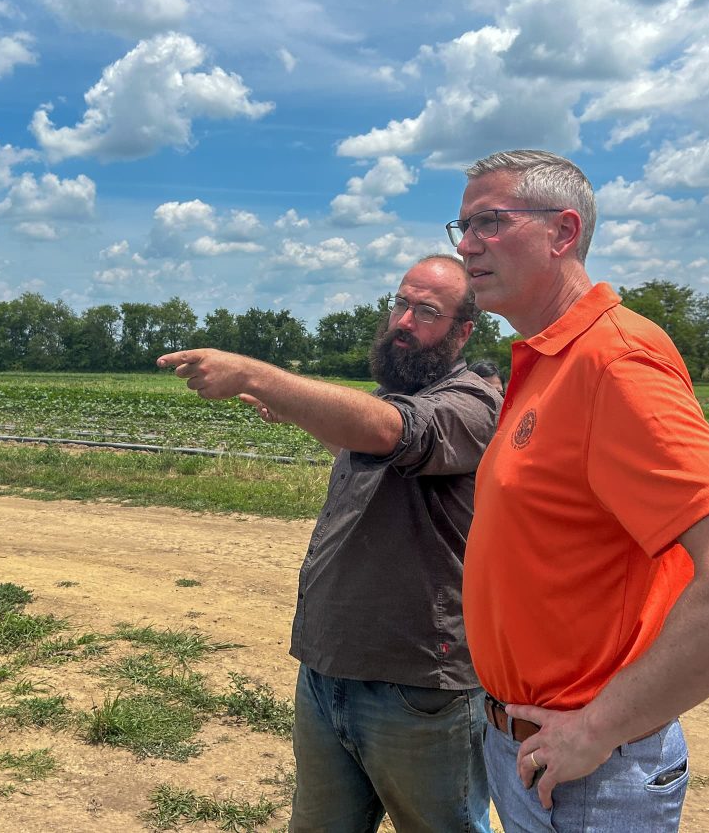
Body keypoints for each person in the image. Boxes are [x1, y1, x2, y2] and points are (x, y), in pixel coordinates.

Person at [447, 150, 709, 832]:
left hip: (592, 773)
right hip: (528, 749)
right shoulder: (547, 360)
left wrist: (598, 727)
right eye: (461, 227)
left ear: (563, 232)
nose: (467, 244)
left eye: (490, 222)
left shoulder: (613, 360)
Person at [157, 254, 501, 833]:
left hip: (418, 688)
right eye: (399, 303)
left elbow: (391, 431)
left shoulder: (472, 404)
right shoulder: (388, 399)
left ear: (462, 332)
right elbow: (368, 423)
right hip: (326, 669)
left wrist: (255, 374)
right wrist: (295, 409)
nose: (403, 322)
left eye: (427, 312)